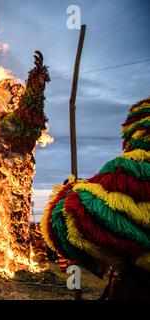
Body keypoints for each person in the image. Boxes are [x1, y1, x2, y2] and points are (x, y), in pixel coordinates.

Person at [41, 97, 150, 299]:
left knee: (74, 270)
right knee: (73, 272)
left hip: (136, 290)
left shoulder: (131, 170)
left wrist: (69, 191)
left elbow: (70, 218)